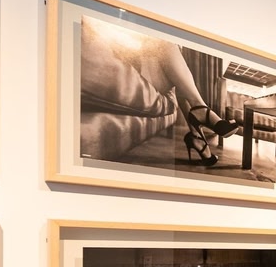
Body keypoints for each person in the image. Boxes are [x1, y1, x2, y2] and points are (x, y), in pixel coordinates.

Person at [80, 17, 239, 166]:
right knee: (165, 44)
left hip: (143, 62)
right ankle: (199, 120)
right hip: (137, 59)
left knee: (172, 66)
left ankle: (198, 129)